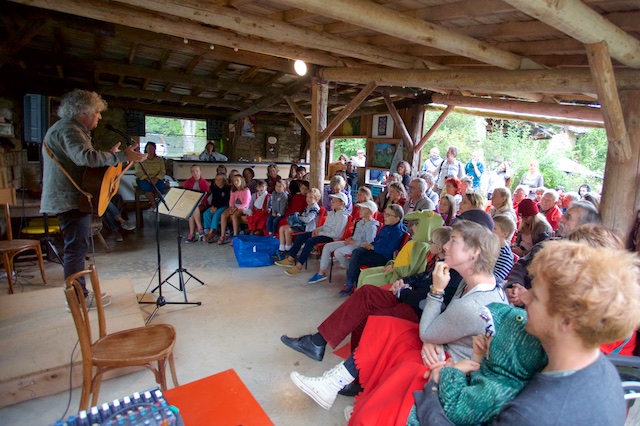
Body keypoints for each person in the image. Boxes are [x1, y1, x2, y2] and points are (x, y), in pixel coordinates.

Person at [290, 220, 507, 422]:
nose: (446, 246)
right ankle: (331, 371)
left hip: (451, 364)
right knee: (379, 315)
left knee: (388, 327)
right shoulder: (478, 281)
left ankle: (338, 384)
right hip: (443, 341)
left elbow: (432, 331)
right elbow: (441, 324)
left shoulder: (473, 304)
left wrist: (436, 292)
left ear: (474, 253)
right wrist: (434, 335)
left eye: (454, 241)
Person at [415, 240, 640, 425]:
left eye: (537, 296)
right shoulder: (601, 370)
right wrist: (480, 362)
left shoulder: (532, 416)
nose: (524, 298)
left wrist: (435, 386)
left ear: (566, 321)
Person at [281, 226, 454, 367]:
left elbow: (428, 298)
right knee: (366, 292)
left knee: (368, 315)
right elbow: (422, 276)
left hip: (417, 311)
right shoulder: (440, 261)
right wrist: (404, 281)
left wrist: (403, 291)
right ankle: (319, 342)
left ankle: (354, 371)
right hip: (407, 296)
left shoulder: (451, 271)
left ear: (441, 247)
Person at [41, 89, 146, 303]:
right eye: (97, 112)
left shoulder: (69, 129)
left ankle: (81, 294)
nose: (99, 116)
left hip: (75, 198)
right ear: (84, 111)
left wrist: (111, 154)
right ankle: (78, 299)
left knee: (78, 247)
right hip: (70, 199)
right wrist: (121, 155)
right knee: (76, 249)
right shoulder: (69, 129)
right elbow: (85, 158)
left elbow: (83, 160)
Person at [408, 302, 547, 426]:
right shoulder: (504, 374)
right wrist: (479, 357)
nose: (486, 335)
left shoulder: (497, 391)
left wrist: (453, 372)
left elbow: (455, 409)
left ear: (508, 349)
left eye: (491, 334)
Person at [506, 200, 601, 304]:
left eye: (568, 217)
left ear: (584, 225)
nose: (561, 219)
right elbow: (521, 265)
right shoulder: (546, 245)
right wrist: (515, 286)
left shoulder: (586, 259)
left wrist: (530, 297)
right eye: (564, 215)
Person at [357, 210, 443, 288]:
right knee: (363, 274)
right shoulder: (413, 242)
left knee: (367, 280)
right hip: (394, 268)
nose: (413, 228)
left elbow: (411, 270)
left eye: (416, 225)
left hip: (397, 275)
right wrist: (393, 265)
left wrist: (395, 269)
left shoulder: (421, 246)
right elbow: (402, 260)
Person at [339, 204, 407, 296]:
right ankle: (353, 281)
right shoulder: (386, 227)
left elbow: (389, 250)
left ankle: (351, 283)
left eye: (388, 215)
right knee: (356, 252)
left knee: (355, 260)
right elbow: (376, 240)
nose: (384, 217)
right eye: (385, 214)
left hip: (383, 257)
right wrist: (370, 245)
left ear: (397, 219)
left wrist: (373, 247)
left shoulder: (398, 232)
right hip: (375, 250)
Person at [276, 192, 349, 277]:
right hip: (323, 233)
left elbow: (337, 234)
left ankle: (299, 266)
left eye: (334, 201)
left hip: (331, 237)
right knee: (301, 236)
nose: (331, 202)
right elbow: (325, 226)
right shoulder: (332, 213)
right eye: (332, 200)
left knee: (310, 241)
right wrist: (317, 229)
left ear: (342, 203)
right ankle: (290, 258)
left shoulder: (343, 216)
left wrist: (320, 233)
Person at [308, 200, 379, 284]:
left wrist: (354, 243)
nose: (360, 210)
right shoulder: (360, 222)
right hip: (352, 243)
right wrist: (350, 238)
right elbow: (355, 236)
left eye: (363, 209)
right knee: (327, 246)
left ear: (370, 212)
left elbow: (369, 243)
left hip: (359, 247)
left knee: (338, 252)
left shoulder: (372, 226)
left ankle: (352, 268)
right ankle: (321, 273)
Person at [277, 188, 321, 254]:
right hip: (301, 224)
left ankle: (289, 249)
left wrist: (297, 218)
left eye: (311, 197)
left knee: (288, 231)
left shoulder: (314, 208)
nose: (308, 199)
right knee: (282, 228)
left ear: (316, 199)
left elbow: (307, 219)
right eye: (307, 197)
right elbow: (303, 215)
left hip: (307, 227)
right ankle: (282, 248)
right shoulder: (309, 206)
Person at [218, 175, 251, 245]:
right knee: (223, 215)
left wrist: (236, 209)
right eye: (234, 181)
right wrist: (231, 207)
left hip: (243, 208)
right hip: (234, 207)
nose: (235, 182)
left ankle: (235, 236)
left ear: (241, 181)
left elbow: (246, 203)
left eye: (237, 180)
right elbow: (231, 201)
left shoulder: (246, 190)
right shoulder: (233, 190)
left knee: (234, 215)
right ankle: (222, 235)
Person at [183, 164, 210, 243]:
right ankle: (198, 230)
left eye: (197, 171)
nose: (195, 173)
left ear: (200, 172)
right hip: (191, 203)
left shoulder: (204, 183)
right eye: (193, 171)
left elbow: (205, 196)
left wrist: (198, 202)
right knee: (192, 209)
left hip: (202, 204)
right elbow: (186, 194)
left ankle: (193, 233)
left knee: (193, 208)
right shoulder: (187, 182)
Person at [134, 141, 165, 209]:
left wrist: (156, 178)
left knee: (161, 186)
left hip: (156, 178)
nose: (150, 150)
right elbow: (138, 171)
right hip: (144, 179)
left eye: (152, 148)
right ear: (146, 149)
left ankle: (159, 204)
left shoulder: (159, 160)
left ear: (155, 149)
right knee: (147, 187)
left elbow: (162, 171)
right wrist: (147, 179)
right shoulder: (140, 159)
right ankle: (153, 205)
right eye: (149, 148)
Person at [203, 173, 230, 243]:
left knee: (216, 214)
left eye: (220, 179)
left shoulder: (227, 189)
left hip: (224, 206)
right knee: (206, 213)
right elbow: (214, 200)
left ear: (224, 181)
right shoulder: (215, 189)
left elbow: (225, 201)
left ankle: (212, 232)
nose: (217, 181)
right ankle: (207, 231)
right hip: (215, 206)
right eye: (216, 179)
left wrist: (217, 208)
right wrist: (213, 206)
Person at [492, 214, 515, 284]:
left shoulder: (505, 255)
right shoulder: (488, 245)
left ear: (504, 234)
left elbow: (496, 279)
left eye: (494, 228)